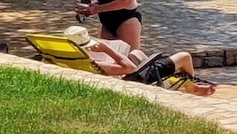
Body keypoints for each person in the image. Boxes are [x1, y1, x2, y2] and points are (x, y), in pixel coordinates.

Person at [62, 26, 215, 96]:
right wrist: (106, 49)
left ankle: (179, 84)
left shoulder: (66, 60)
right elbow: (129, 68)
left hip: (121, 75)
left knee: (137, 53)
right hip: (132, 79)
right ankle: (191, 88)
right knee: (184, 56)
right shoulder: (92, 64)